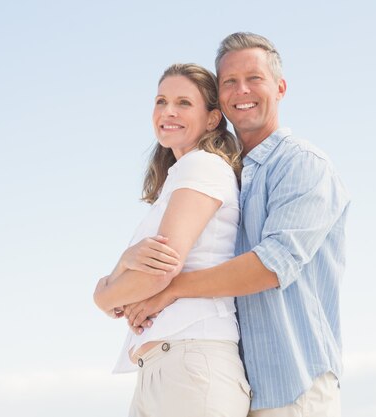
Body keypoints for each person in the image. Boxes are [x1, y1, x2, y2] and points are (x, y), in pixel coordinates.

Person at [123, 33, 350, 417]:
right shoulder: (228, 176)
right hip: (237, 385)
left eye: (254, 78)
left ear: (280, 87)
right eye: (229, 81)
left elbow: (272, 265)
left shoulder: (303, 165)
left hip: (293, 386)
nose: (241, 90)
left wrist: (170, 290)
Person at [93, 63, 251, 417]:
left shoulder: (203, 167)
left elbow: (157, 272)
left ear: (212, 119)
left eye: (183, 103)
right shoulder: (178, 179)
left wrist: (102, 293)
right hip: (166, 367)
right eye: (161, 101)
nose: (168, 112)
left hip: (190, 363)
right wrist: (124, 264)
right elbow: (141, 273)